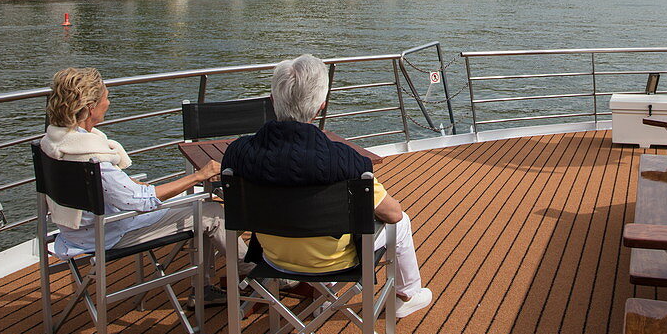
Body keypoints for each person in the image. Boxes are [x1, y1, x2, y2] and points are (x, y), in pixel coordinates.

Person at [221, 54, 432, 318]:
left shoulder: (238, 154)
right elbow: (392, 213)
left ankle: (323, 293)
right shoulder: (346, 161)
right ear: (321, 105)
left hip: (272, 258)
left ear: (273, 100)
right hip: (335, 261)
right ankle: (408, 293)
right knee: (401, 222)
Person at [40, 67, 245, 303]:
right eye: (106, 97)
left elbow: (115, 189)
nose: (109, 102)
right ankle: (252, 272)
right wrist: (199, 175)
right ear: (90, 107)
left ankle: (205, 287)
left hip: (73, 233)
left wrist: (130, 183)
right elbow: (142, 200)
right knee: (211, 212)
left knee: (199, 207)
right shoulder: (92, 159)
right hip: (108, 234)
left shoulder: (54, 143)